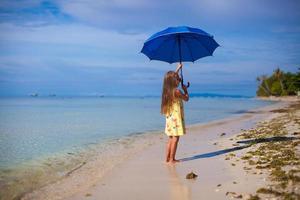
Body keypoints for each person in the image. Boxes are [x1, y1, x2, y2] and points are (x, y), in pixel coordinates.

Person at [161, 63, 189, 164]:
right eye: (178, 79)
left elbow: (170, 78)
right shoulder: (177, 91)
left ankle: (167, 158)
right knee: (176, 138)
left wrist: (177, 69)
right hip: (176, 119)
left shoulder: (167, 91)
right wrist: (185, 90)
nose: (179, 80)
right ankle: (172, 159)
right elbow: (186, 99)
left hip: (170, 118)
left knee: (170, 138)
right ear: (173, 81)